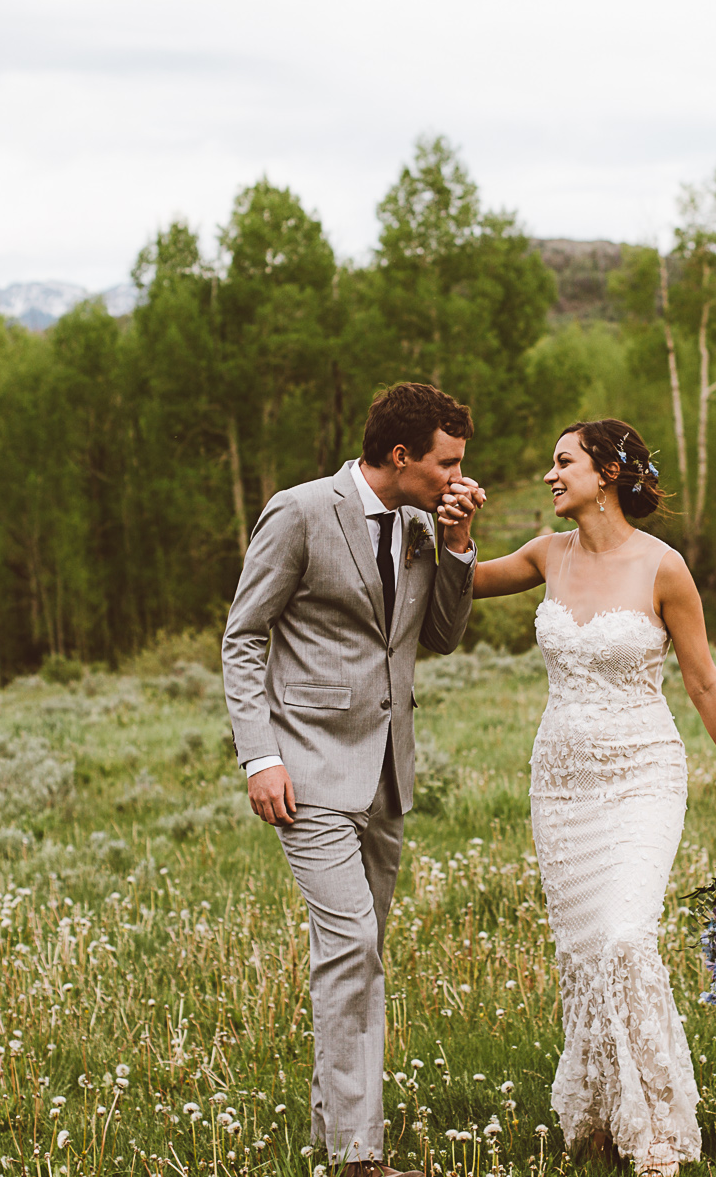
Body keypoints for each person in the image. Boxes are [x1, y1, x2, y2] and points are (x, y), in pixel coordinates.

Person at [457, 419, 716, 1177]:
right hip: (561, 781)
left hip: (642, 771)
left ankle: (658, 1125)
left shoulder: (663, 567)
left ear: (605, 473)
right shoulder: (547, 552)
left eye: (562, 461)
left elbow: (703, 680)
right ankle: (603, 1114)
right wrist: (461, 529)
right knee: (582, 951)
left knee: (624, 936)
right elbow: (466, 581)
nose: (549, 474)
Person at [223, 382, 488, 1177]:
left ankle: (331, 1134)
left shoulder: (418, 526)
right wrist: (258, 756)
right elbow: (243, 637)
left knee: (355, 956)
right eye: (447, 463)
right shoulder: (300, 511)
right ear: (402, 456)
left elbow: (440, 635)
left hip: (386, 777)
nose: (456, 476)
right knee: (351, 949)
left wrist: (460, 544)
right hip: (305, 774)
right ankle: (355, 1159)